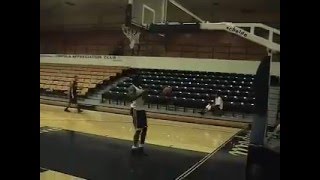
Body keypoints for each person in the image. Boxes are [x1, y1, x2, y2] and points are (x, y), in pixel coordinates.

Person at [128, 85, 148, 152]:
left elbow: (145, 100)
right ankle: (134, 145)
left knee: (145, 128)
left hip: (142, 109)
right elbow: (131, 98)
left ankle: (141, 144)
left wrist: (145, 94)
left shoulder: (142, 87)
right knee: (138, 129)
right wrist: (140, 94)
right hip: (136, 110)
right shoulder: (132, 87)